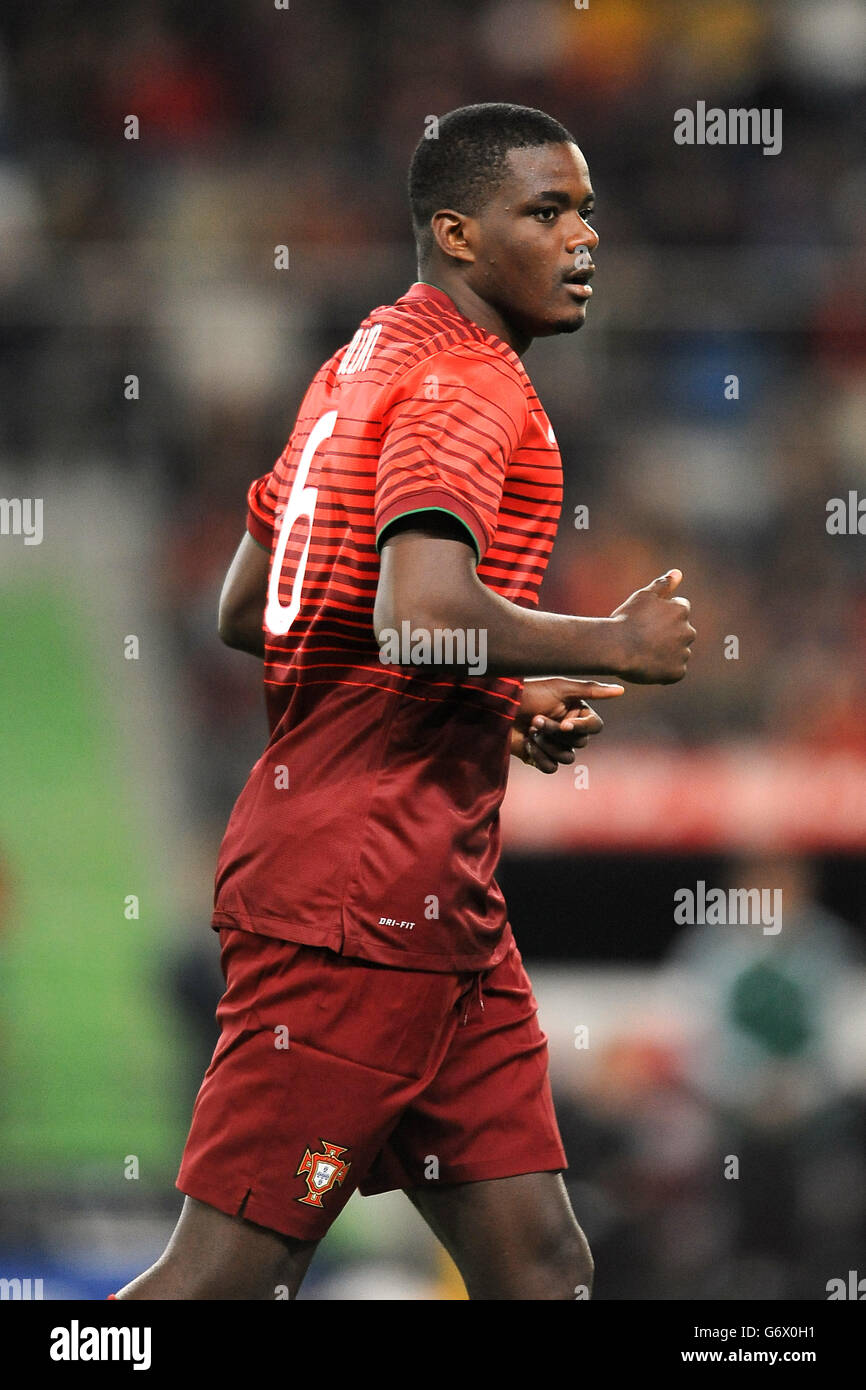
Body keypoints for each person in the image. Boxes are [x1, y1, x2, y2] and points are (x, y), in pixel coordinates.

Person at [113, 102, 695, 1301]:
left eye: (585, 209)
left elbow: (250, 607)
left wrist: (499, 693)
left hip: (437, 908)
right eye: (545, 211)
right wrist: (614, 643)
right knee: (222, 1280)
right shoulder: (469, 388)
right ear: (457, 233)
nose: (583, 237)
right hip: (354, 899)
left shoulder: (359, 361)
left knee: (540, 1265)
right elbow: (416, 614)